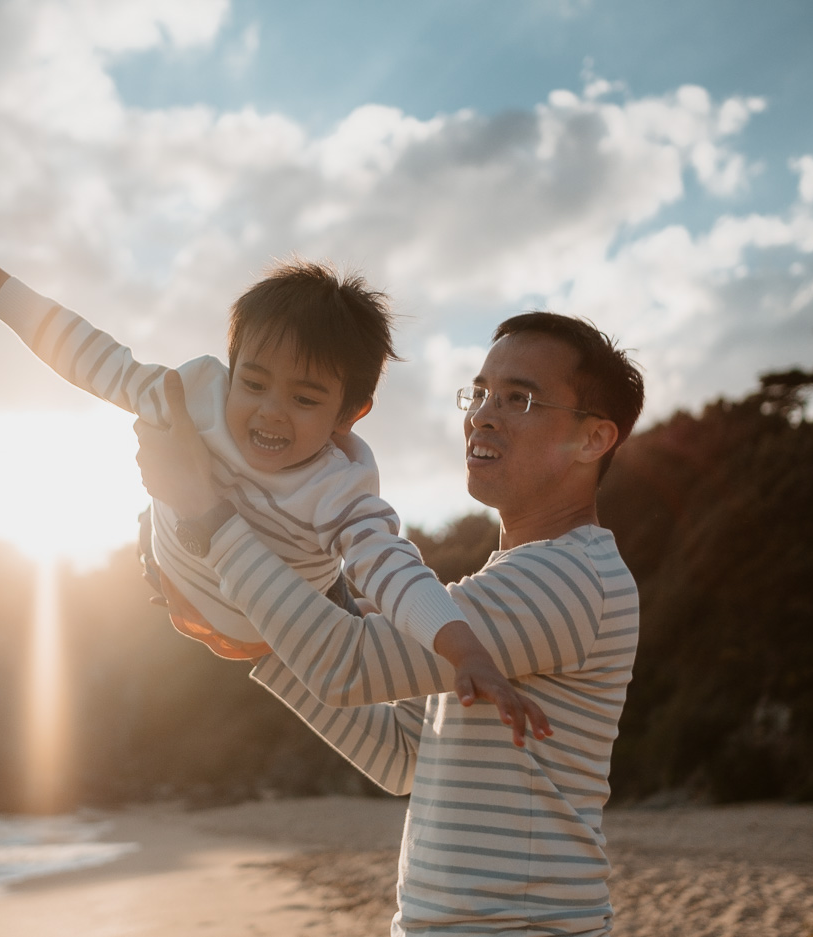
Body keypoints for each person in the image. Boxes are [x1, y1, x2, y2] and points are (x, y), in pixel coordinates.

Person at [0, 200, 549, 743]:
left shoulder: (338, 490)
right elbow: (93, 356)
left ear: (348, 414)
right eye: (253, 382)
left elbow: (392, 565)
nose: (269, 414)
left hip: (270, 617)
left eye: (304, 399)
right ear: (231, 365)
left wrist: (465, 650)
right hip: (171, 570)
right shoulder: (195, 396)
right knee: (158, 462)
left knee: (363, 623)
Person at [134, 312, 645, 936]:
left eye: (520, 398)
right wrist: (245, 635)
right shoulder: (508, 580)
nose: (483, 414)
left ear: (594, 440)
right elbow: (401, 757)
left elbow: (345, 667)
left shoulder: (569, 579)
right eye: (480, 391)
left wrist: (207, 519)